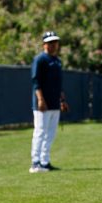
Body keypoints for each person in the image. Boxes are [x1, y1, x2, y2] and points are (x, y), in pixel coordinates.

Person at [30, 30, 69, 173]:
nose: (53, 45)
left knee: (51, 133)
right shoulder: (40, 59)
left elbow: (58, 84)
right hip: (42, 104)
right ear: (44, 44)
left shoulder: (57, 61)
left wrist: (62, 100)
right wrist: (40, 99)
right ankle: (35, 163)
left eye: (55, 42)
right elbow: (35, 81)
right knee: (40, 132)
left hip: (54, 103)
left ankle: (45, 161)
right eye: (50, 42)